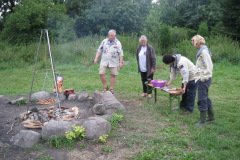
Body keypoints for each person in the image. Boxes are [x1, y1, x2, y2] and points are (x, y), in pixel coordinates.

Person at [191, 35, 215, 127]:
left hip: (204, 79)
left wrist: (203, 78)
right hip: (201, 79)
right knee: (206, 98)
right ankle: (211, 117)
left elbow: (209, 67)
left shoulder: (204, 52)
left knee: (202, 99)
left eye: (193, 43)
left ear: (196, 42)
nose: (193, 45)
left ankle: (202, 121)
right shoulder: (201, 51)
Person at [94, 29, 124, 94]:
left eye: (111, 35)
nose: (110, 36)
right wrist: (96, 58)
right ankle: (105, 86)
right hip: (104, 60)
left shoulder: (118, 43)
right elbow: (99, 50)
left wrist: (121, 62)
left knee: (113, 74)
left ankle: (111, 88)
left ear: (114, 35)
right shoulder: (104, 41)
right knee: (101, 73)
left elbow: (121, 54)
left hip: (113, 61)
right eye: (109, 35)